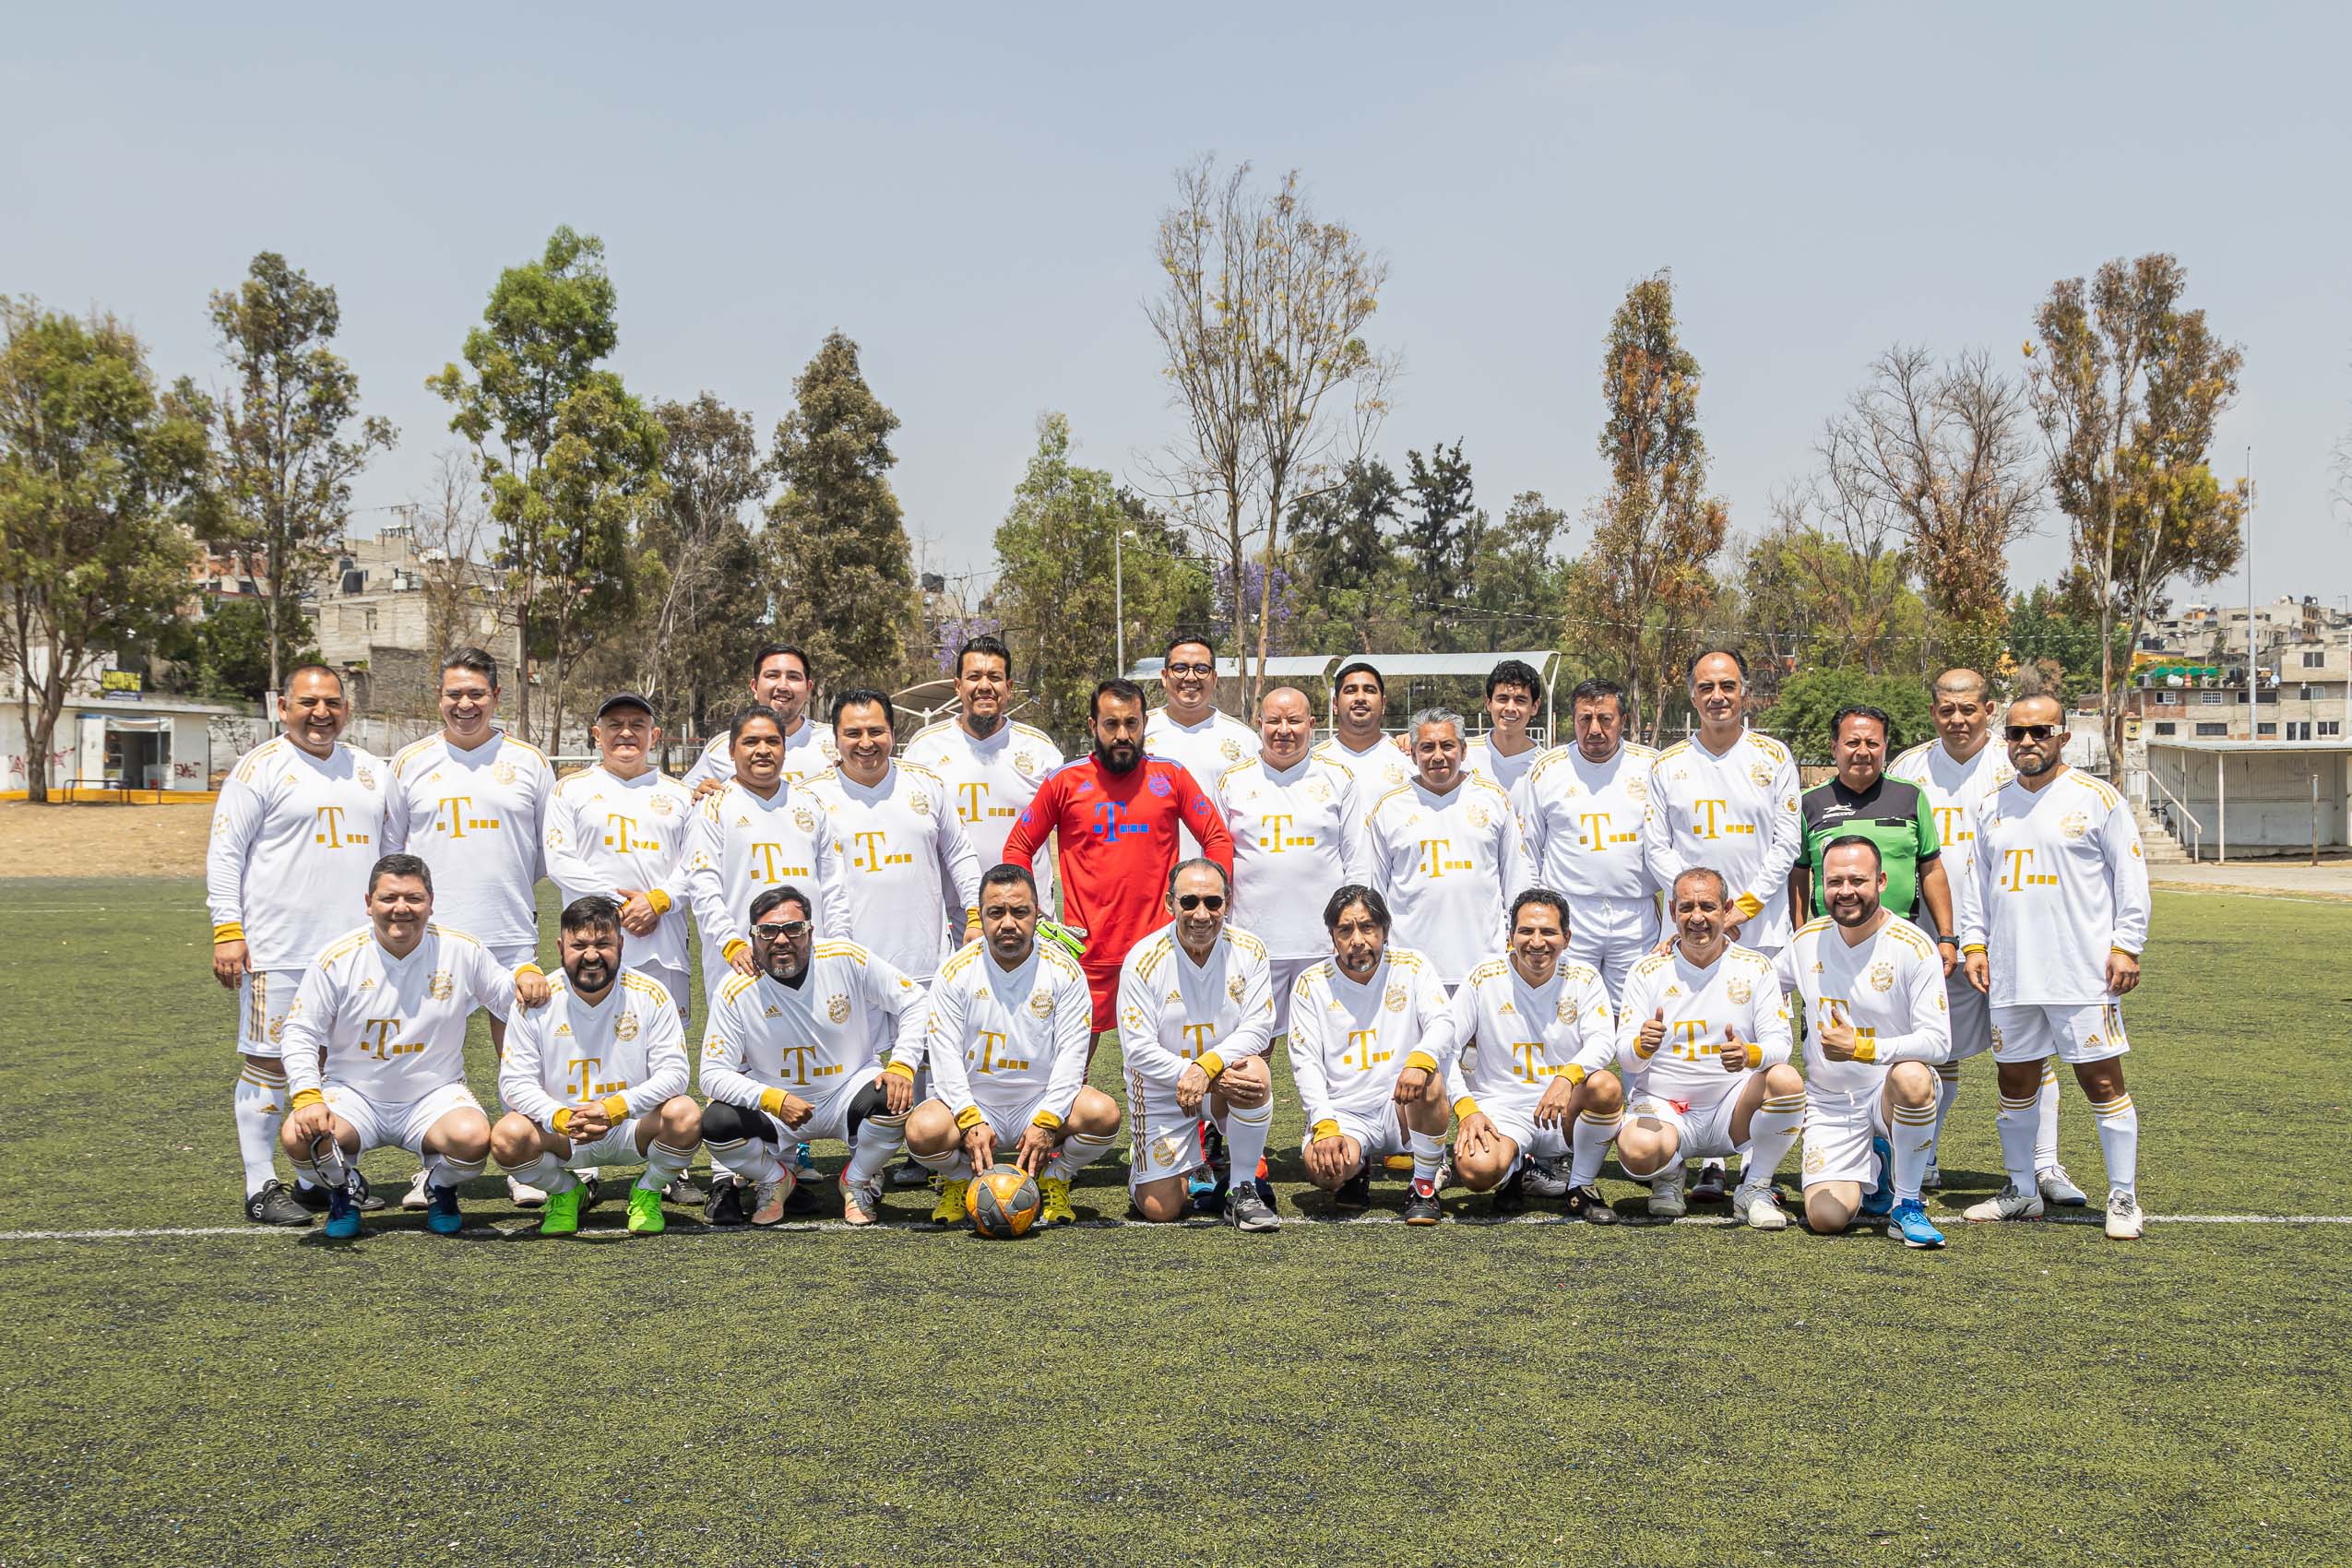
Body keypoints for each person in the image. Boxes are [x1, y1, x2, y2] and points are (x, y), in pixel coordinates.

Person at [206, 664, 398, 1225]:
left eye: (333, 703)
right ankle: (259, 1184)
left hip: (356, 951)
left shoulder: (369, 770)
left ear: (347, 708)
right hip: (280, 946)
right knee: (269, 1062)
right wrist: (228, 929)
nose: (321, 713)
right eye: (308, 702)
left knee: (330, 1065)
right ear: (283, 706)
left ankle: (315, 1179)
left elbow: (390, 858)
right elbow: (225, 855)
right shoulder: (258, 768)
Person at [276, 854, 548, 1239]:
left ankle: (440, 1186)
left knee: (473, 1138)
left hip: (433, 1094)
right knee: (298, 1137)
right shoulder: (336, 958)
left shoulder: (462, 949)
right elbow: (300, 1031)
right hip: (353, 1094)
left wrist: (524, 971)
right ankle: (345, 1188)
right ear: (368, 903)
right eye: (388, 899)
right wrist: (307, 1094)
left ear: (431, 903)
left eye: (413, 899)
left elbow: (509, 998)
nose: (400, 909)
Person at [1959, 694, 2151, 1240]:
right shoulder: (1992, 805)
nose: (2027, 743)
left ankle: (2122, 1198)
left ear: (2063, 736)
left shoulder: (2098, 798)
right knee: (2015, 1081)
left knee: (2101, 1079)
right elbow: (1976, 888)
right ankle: (2022, 1191)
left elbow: (2130, 880)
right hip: (2013, 972)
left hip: (2082, 973)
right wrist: (1974, 945)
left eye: (2039, 732)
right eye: (2017, 733)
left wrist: (2127, 945)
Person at [1888, 668, 2077, 1203]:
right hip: (1935, 938)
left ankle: (2045, 1166)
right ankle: (1923, 1157)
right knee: (1936, 1050)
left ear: (1988, 710)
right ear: (1933, 712)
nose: (1957, 719)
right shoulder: (1909, 767)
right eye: (1946, 709)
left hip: (2010, 934)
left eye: (1968, 708)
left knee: (2027, 1053)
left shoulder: (2014, 756)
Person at [383, 646, 559, 1210]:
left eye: (476, 694)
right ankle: (431, 1166)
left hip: (508, 931)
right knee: (429, 1049)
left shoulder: (529, 762)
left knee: (521, 1050)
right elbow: (394, 852)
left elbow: (542, 852)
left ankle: (525, 1160)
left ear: (496, 697)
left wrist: (500, 891)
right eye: (454, 693)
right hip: (432, 939)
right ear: (440, 698)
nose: (465, 704)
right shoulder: (409, 762)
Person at [1643, 648, 1800, 1203]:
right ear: (1693, 695)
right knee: (1699, 1028)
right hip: (1695, 925)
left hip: (1761, 927)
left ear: (1745, 693)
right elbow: (1655, 846)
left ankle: (1756, 1170)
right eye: (1707, 687)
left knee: (1758, 1040)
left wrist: (1742, 909)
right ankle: (1704, 1161)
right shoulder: (1666, 765)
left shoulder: (1772, 755)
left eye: (1728, 686)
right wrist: (1699, 908)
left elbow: (1787, 843)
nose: (1717, 696)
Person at [1002, 678, 1233, 1040]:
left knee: (1171, 1064)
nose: (1122, 734)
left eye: (1132, 723)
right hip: (1087, 954)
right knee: (1070, 1068)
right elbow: (1017, 847)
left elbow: (1217, 838)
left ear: (1144, 725)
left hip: (1161, 950)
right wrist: (1030, 913)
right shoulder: (1064, 782)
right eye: (1111, 724)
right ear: (1094, 726)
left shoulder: (1170, 776)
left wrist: (1213, 901)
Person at [901, 864, 1123, 1229]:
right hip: (976, 1103)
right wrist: (969, 1117)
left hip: (1038, 1102)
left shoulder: (1064, 971)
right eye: (996, 912)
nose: (1008, 923)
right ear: (982, 917)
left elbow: (1072, 1056)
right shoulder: (954, 972)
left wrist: (1048, 1118)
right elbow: (944, 1059)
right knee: (922, 1130)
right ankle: (958, 1180)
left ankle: (1057, 1176)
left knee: (1103, 1114)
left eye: (1019, 912)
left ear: (1037, 915)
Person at [699, 885, 930, 1227]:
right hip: (776, 1102)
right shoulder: (734, 987)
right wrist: (773, 1099)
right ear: (752, 937)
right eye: (767, 931)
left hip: (847, 1089)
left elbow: (916, 1001)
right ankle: (775, 1179)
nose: (781, 940)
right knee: (716, 1124)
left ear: (810, 930)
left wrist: (902, 1064)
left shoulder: (846, 958)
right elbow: (712, 1073)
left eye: (793, 929)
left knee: (895, 1099)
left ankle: (856, 1180)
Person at [1774, 838, 1953, 1248]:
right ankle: (1878, 1162)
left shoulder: (1913, 945)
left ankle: (1907, 1204)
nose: (1846, 891)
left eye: (1858, 879)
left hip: (1889, 1091)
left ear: (1882, 881)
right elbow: (1760, 985)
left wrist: (1863, 1049)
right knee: (1825, 1218)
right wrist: (1690, 949)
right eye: (1835, 881)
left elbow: (1939, 1043)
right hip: (1830, 1101)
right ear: (1820, 885)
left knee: (1911, 1077)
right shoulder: (1806, 941)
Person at [491, 896, 701, 1237]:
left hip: (631, 1125)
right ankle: (564, 1191)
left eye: (603, 943)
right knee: (507, 1136)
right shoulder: (537, 1002)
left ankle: (648, 1190)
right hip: (564, 1130)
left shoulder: (651, 993)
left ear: (620, 943)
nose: (592, 955)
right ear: (560, 947)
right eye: (579, 945)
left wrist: (616, 1108)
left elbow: (675, 1073)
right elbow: (514, 1083)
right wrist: (558, 1117)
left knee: (685, 1113)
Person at [1611, 868, 1802, 1229]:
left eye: (1707, 906)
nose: (1696, 917)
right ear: (1671, 912)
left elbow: (1781, 1043)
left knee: (1787, 1081)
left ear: (1726, 909)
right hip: (1665, 1107)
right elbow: (1625, 1057)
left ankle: (1755, 1187)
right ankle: (1669, 1174)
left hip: (1732, 1109)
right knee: (1637, 1151)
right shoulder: (1646, 970)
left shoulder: (1755, 966)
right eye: (1686, 908)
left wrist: (1750, 1055)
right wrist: (1642, 1046)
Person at [1118, 860, 1279, 1231]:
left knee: (1256, 1075)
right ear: (1169, 903)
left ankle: (1241, 1188)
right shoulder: (1142, 960)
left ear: (1228, 902)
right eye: (1189, 902)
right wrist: (1195, 1074)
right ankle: (1146, 1168)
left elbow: (1259, 1027)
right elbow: (1137, 1050)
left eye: (1213, 903)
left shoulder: (1249, 950)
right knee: (1163, 1208)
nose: (1201, 914)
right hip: (1162, 1091)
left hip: (1222, 1080)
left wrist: (1207, 1070)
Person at [1447, 889, 1624, 1223]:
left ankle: (1581, 1185)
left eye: (1548, 932)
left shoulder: (1584, 977)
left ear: (1567, 937)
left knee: (1606, 1086)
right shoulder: (1483, 976)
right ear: (1510, 936)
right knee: (1476, 1171)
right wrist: (1467, 1109)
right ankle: (1516, 1169)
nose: (1537, 942)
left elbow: (1603, 1041)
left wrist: (1566, 1076)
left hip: (1564, 1107)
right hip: (1502, 1109)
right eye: (1526, 931)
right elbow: (1446, 1050)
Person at [1287, 885, 1459, 1225]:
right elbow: (1305, 1061)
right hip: (1346, 1112)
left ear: (1384, 931)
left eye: (1367, 927)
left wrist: (1419, 1060)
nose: (1358, 939)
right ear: (1333, 936)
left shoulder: (1412, 966)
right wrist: (1324, 1123)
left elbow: (1443, 1022)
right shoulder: (1311, 983)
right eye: (1345, 930)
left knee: (1431, 1079)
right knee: (1325, 1171)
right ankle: (1354, 1169)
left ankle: (1424, 1184)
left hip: (1401, 1107)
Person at [1217, 684, 1368, 1036]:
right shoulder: (1233, 781)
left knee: (1331, 1042)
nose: (1284, 730)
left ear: (1312, 725)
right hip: (1253, 942)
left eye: (1294, 721)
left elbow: (1357, 860)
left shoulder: (1338, 777)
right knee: (1251, 1046)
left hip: (1323, 942)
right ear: (1259, 724)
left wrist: (1353, 927)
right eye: (1274, 721)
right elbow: (1219, 860)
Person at [541, 693, 697, 1019]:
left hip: (663, 946)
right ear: (597, 735)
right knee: (590, 1046)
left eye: (637, 725)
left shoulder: (680, 795)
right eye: (615, 725)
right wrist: (621, 905)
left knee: (664, 1049)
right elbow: (560, 862)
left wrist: (659, 900)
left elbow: (696, 865)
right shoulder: (569, 790)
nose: (626, 732)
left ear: (653, 736)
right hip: (591, 942)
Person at [902, 633, 1065, 932]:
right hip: (953, 925)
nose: (985, 686)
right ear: (958, 685)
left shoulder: (1041, 750)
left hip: (1027, 922)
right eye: (974, 676)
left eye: (995, 677)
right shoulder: (924, 749)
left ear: (1010, 687)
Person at [1513, 678, 1661, 999]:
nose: (1594, 729)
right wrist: (1537, 913)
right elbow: (1528, 850)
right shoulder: (1547, 769)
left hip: (1636, 916)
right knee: (1567, 1008)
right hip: (1570, 912)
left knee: (1634, 1013)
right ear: (1573, 721)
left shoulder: (1651, 766)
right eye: (1585, 719)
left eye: (1605, 719)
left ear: (1623, 720)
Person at [1364, 707, 1529, 992]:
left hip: (1484, 965)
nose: (1437, 756)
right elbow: (1375, 889)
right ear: (1414, 754)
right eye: (1427, 747)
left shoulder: (1493, 799)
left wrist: (1516, 940)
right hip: (1412, 967)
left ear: (1464, 751)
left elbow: (1515, 878)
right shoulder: (1389, 808)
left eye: (1447, 746)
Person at [1789, 705, 1955, 949]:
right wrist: (1800, 936)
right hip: (1832, 939)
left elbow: (1931, 869)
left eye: (1873, 743)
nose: (1863, 752)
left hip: (1901, 938)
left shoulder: (1910, 795)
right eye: (1853, 743)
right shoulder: (1810, 802)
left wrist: (1947, 938)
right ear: (1834, 747)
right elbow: (1799, 875)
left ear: (1885, 747)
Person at [1146, 633, 1260, 854]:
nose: (1190, 677)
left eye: (1201, 669)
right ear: (1164, 676)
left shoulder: (1245, 740)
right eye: (1180, 668)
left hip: (1219, 876)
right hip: (1154, 872)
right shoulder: (1138, 733)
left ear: (1214, 678)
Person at [683, 642, 837, 797]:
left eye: (793, 677)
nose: (783, 686)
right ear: (755, 687)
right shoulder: (722, 747)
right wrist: (696, 794)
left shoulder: (837, 740)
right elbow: (683, 800)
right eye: (772, 676)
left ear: (808, 689)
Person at [1313, 660, 1411, 801]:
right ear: (1335, 705)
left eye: (1369, 690)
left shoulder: (1408, 758)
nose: (1360, 697)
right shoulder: (1312, 761)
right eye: (1351, 690)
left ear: (1383, 704)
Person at [1462, 659, 1550, 798]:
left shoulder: (1547, 767)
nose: (1510, 708)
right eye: (1502, 699)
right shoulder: (1463, 755)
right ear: (1488, 703)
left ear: (1534, 706)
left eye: (1520, 700)